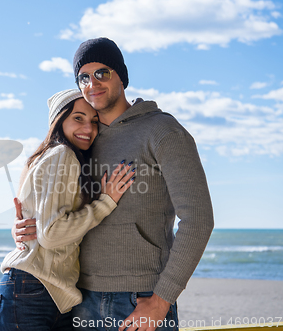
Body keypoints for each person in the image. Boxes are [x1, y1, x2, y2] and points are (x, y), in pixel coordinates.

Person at [13, 38, 215, 331]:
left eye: (102, 73)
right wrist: (21, 227)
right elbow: (47, 197)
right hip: (78, 300)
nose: (92, 83)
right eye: (83, 77)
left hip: (139, 300)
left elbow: (198, 219)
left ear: (122, 76)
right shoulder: (81, 140)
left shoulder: (162, 131)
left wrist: (161, 300)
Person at [0, 89, 135, 331]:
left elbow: (37, 223)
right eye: (78, 118)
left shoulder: (52, 157)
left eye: (94, 121)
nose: (88, 129)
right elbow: (51, 234)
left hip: (40, 293)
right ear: (59, 120)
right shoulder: (63, 154)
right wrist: (106, 202)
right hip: (33, 291)